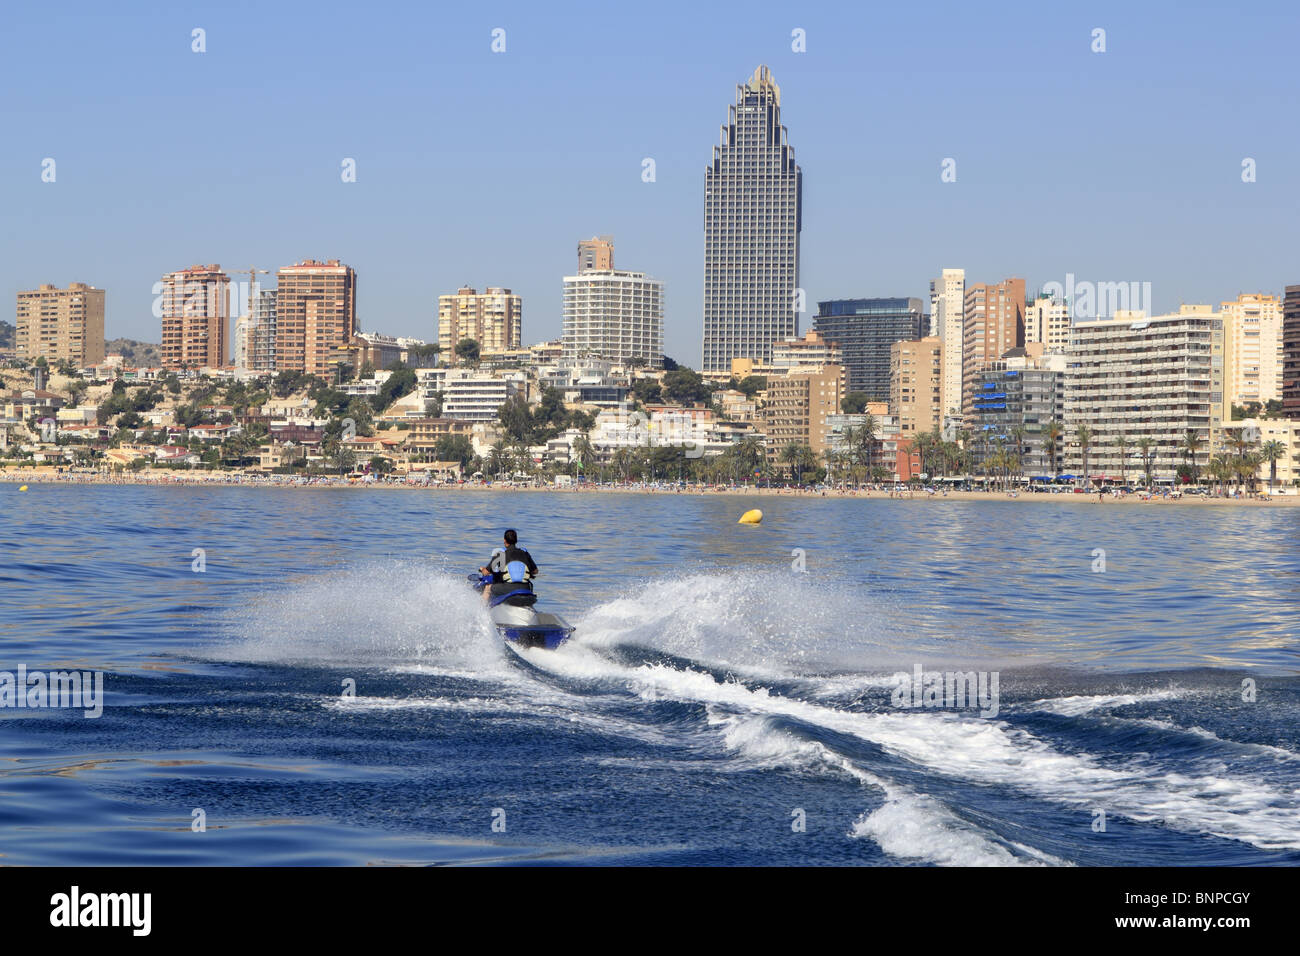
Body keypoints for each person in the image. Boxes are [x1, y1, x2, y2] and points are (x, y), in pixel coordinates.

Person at [479, 529, 539, 603]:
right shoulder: (525, 553)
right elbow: (535, 571)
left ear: (504, 540)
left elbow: (486, 572)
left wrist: (482, 569)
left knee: (488, 587)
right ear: (516, 541)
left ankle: (483, 610)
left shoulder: (501, 554)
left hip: (508, 588)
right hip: (526, 588)